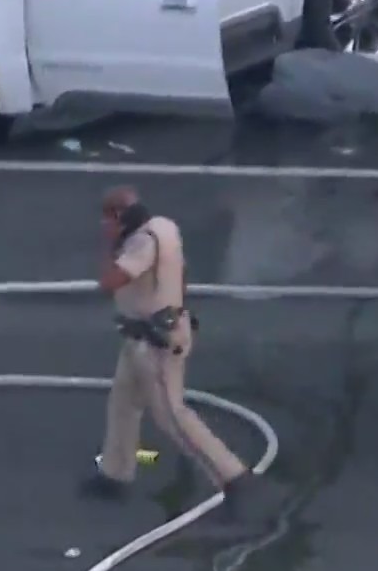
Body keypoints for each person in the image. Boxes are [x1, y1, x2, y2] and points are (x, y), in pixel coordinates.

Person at [80, 186, 258, 519]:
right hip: (144, 334)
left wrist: (110, 245)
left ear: (119, 217)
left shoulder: (141, 244)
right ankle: (115, 474)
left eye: (108, 219)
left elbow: (110, 281)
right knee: (123, 404)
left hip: (155, 343)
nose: (104, 225)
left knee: (171, 416)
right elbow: (182, 270)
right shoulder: (164, 227)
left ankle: (232, 477)